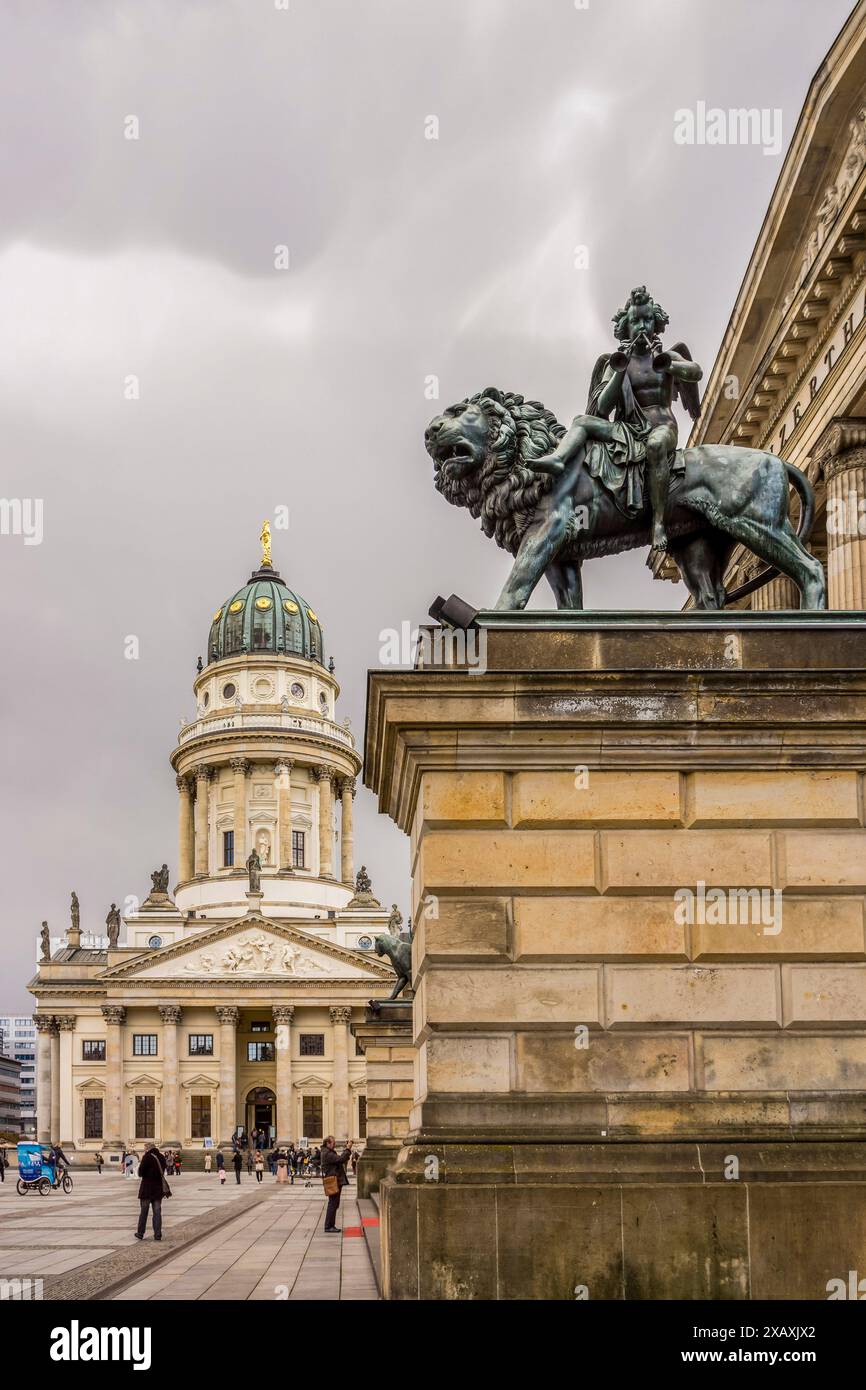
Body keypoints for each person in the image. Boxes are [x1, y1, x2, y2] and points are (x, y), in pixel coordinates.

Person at [135, 1141, 167, 1242]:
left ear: (147, 1148)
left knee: (144, 1212)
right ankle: (158, 1235)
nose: (144, 1150)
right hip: (158, 1189)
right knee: (157, 1212)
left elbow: (140, 1172)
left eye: (144, 1149)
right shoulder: (161, 1157)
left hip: (147, 1189)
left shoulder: (147, 1157)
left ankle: (140, 1233)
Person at [321, 1136, 353, 1233]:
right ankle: (328, 1226)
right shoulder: (327, 1153)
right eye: (333, 1143)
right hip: (333, 1181)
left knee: (334, 1204)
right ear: (328, 1143)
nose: (334, 1144)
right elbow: (340, 1159)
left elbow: (339, 1159)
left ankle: (330, 1225)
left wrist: (346, 1149)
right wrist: (348, 1148)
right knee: (333, 1204)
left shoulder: (327, 1152)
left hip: (334, 1180)